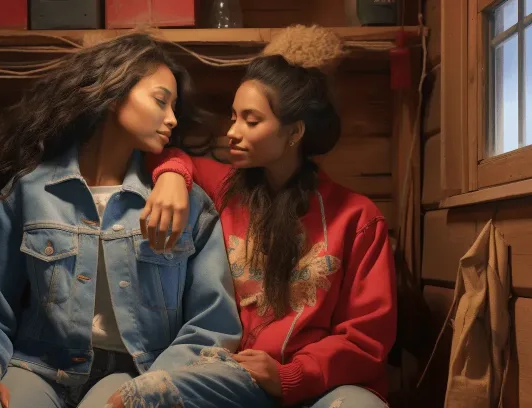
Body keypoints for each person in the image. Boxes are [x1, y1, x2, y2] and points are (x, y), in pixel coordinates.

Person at [0, 33, 247, 408]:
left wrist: (155, 386)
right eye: (160, 101)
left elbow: (212, 324)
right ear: (114, 93)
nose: (171, 118)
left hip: (137, 372)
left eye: (174, 107)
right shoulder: (31, 192)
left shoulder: (185, 203)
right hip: (39, 367)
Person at [125, 46, 397, 407]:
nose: (232, 132)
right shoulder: (222, 189)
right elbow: (165, 154)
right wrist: (173, 176)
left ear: (294, 132)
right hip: (236, 379)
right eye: (233, 117)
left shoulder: (357, 219)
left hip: (326, 386)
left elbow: (366, 337)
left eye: (251, 121)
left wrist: (290, 375)